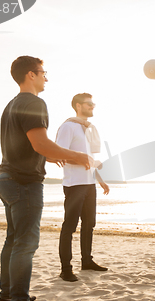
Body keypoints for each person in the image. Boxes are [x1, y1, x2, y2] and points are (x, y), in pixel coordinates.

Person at [0, 56, 92, 301]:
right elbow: (40, 144)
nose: (45, 77)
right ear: (31, 75)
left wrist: (51, 154)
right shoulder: (34, 102)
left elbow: (29, 145)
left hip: (6, 179)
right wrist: (78, 157)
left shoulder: (11, 105)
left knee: (13, 240)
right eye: (42, 73)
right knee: (25, 245)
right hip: (24, 183)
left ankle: (8, 296)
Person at [56, 93, 110, 282]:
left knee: (89, 225)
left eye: (93, 103)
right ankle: (65, 269)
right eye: (89, 104)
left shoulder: (88, 129)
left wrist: (99, 178)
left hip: (89, 184)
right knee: (69, 226)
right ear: (78, 106)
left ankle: (87, 261)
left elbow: (89, 160)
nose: (92, 106)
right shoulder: (68, 126)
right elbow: (58, 154)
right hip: (74, 184)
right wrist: (80, 161)